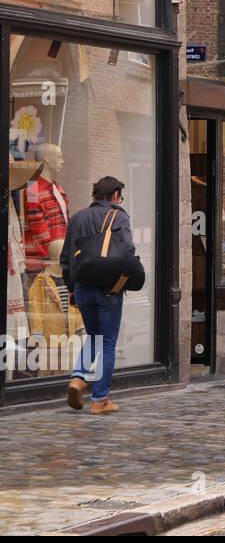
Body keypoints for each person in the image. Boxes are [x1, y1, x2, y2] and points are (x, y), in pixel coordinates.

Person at [62, 176, 145, 416]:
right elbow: (128, 250)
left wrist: (71, 288)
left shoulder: (77, 218)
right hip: (108, 288)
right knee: (107, 342)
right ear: (116, 194)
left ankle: (78, 378)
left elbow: (66, 258)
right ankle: (100, 400)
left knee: (93, 336)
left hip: (82, 287)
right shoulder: (119, 216)